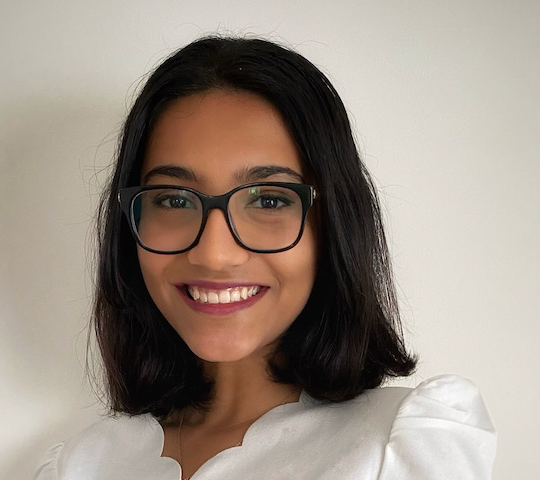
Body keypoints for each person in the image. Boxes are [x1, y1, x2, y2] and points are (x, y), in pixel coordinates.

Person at [34, 36, 496, 479]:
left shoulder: (404, 445)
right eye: (174, 199)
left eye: (269, 200)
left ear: (334, 222)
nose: (214, 254)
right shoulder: (80, 465)